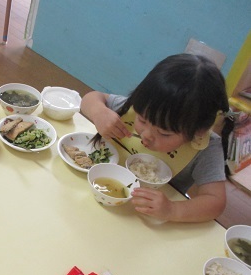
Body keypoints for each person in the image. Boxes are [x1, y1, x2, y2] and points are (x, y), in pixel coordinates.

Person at [81, 53, 230, 223]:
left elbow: (215, 202)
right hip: (97, 192)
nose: (146, 135)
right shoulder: (141, 108)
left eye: (164, 133)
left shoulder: (206, 148)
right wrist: (99, 112)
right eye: (142, 120)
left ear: (199, 131)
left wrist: (173, 210)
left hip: (143, 217)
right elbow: (91, 98)